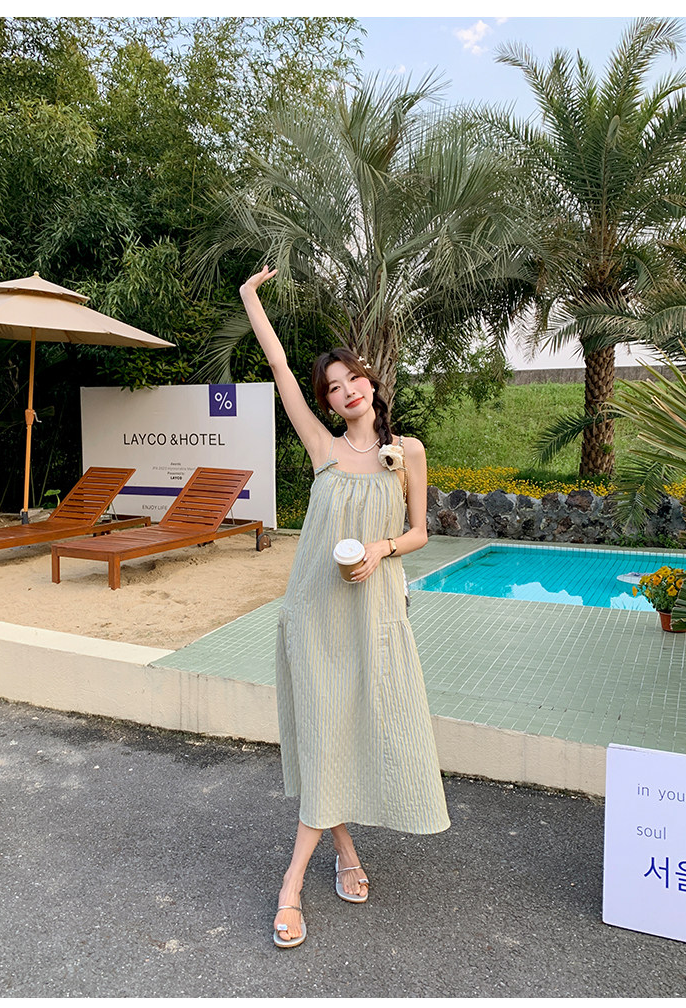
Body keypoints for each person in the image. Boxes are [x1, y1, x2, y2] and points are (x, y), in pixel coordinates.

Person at [240, 266, 450, 949]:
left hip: (374, 616)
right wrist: (250, 298)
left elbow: (419, 533)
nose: (346, 389)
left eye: (352, 377)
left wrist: (382, 548)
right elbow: (278, 367)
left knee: (347, 734)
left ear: (370, 381)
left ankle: (347, 853)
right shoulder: (322, 447)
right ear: (327, 402)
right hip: (315, 614)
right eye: (332, 387)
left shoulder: (405, 452)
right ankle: (292, 886)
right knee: (324, 737)